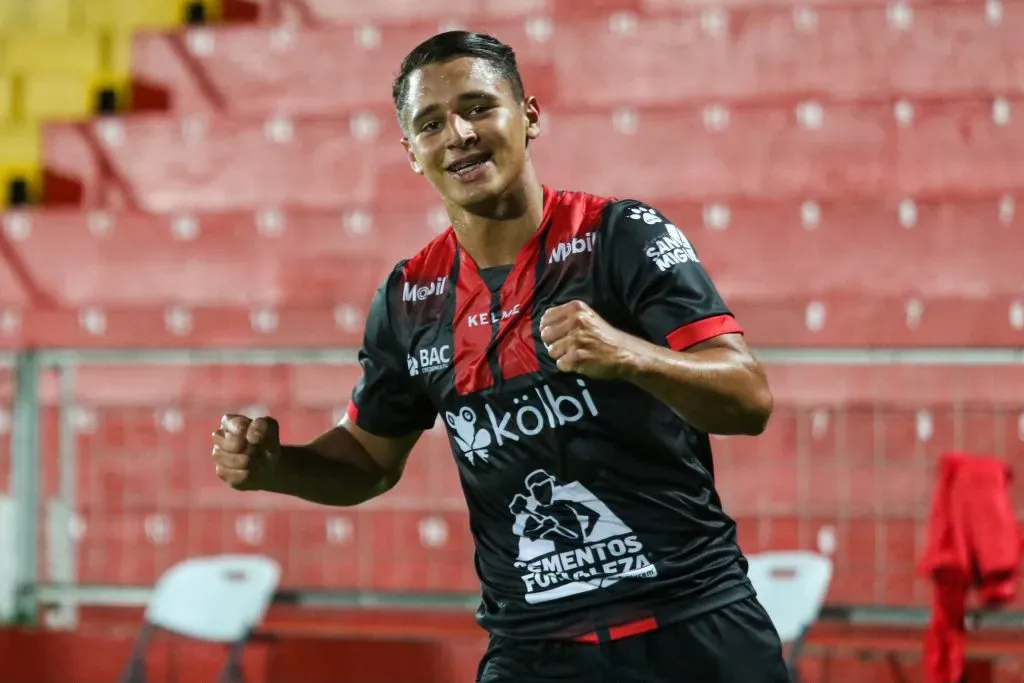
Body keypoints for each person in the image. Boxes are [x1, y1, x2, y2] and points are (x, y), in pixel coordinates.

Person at [211, 30, 790, 683]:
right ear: (411, 152)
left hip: (696, 628)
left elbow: (748, 398)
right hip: (537, 651)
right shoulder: (409, 299)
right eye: (431, 123)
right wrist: (276, 466)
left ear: (531, 116)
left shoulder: (620, 236)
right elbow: (370, 460)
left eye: (479, 107)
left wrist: (630, 356)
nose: (458, 132)